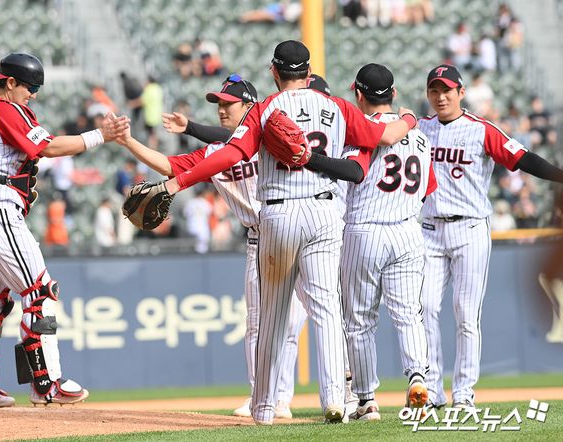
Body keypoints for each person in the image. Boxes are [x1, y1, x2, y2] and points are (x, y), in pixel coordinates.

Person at [159, 40, 418, 424]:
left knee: (273, 316)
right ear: (309, 73)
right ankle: (335, 399)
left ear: (274, 72)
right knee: (327, 309)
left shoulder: (265, 108)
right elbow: (385, 137)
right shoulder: (338, 106)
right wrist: (410, 119)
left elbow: (231, 153)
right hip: (324, 211)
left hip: (279, 213)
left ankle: (264, 407)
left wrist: (176, 183)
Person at [123, 74, 308, 419]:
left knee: (298, 321)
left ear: (249, 105)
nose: (222, 109)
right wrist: (129, 141)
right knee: (258, 323)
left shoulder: (271, 138)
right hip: (259, 238)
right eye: (219, 104)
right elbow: (168, 165)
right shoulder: (214, 155)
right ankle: (263, 397)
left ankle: (312, 395)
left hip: (297, 228)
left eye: (228, 104)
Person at [0, 52, 129, 408]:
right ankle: (47, 385)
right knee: (39, 293)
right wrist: (101, 135)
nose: (32, 94)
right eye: (29, 87)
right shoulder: (5, 108)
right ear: (10, 82)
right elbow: (46, 147)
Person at [419, 64, 563, 410]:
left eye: (447, 90)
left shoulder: (481, 130)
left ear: (461, 93)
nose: (441, 97)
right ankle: (433, 392)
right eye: (435, 90)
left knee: (466, 314)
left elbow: (522, 158)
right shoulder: (420, 129)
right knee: (423, 308)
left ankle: (464, 393)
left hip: (469, 228)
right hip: (429, 229)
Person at [338, 64, 436, 420]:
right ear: (393, 93)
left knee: (360, 321)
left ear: (358, 94)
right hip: (408, 230)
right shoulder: (421, 137)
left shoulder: (361, 132)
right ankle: (418, 378)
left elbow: (349, 175)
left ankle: (367, 400)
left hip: (365, 229)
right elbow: (428, 188)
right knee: (409, 315)